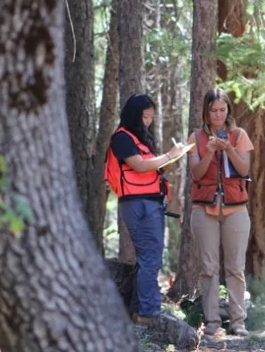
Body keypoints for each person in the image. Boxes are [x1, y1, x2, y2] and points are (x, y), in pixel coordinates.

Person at [105, 93, 184, 326]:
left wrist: (172, 159)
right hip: (138, 205)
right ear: (134, 114)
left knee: (147, 259)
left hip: (150, 203)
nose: (148, 121)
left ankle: (138, 312)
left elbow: (151, 171)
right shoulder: (122, 138)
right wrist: (169, 155)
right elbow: (138, 166)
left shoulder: (142, 139)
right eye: (145, 116)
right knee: (150, 259)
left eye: (151, 117)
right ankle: (149, 316)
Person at [188, 89, 253, 337]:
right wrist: (212, 150)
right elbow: (197, 173)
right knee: (209, 267)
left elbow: (244, 167)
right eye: (213, 110)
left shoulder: (240, 135)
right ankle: (212, 321)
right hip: (204, 209)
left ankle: (238, 321)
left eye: (222, 110)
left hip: (236, 209)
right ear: (206, 111)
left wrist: (229, 149)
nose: (218, 115)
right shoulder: (195, 137)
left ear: (228, 110)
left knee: (236, 267)